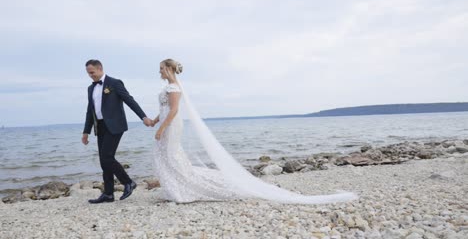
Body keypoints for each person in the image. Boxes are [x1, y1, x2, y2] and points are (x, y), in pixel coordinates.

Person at [152, 59, 358, 204]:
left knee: (172, 155)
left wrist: (161, 127)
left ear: (169, 69)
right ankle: (176, 188)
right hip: (167, 123)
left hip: (171, 125)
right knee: (169, 156)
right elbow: (164, 110)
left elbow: (174, 110)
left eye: (161, 69)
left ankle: (182, 190)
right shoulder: (170, 88)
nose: (159, 72)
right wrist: (154, 120)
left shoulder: (174, 88)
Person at [82, 59, 153, 204]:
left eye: (92, 72)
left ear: (100, 68)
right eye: (88, 74)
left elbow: (129, 100)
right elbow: (90, 111)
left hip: (115, 125)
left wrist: (143, 116)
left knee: (107, 157)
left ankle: (128, 182)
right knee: (104, 161)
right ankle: (108, 194)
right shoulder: (90, 88)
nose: (90, 76)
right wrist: (86, 131)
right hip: (100, 126)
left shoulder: (114, 83)